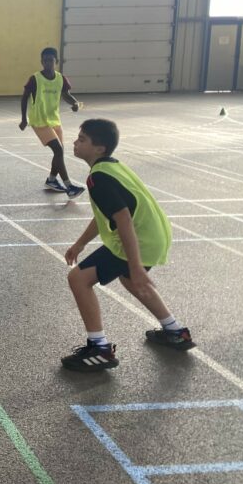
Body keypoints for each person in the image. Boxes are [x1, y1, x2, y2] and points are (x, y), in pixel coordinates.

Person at [61, 118, 195, 372]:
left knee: (78, 279)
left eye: (82, 140)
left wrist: (135, 265)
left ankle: (99, 349)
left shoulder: (98, 178)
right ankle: (175, 332)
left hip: (140, 239)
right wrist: (79, 244)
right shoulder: (111, 167)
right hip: (155, 234)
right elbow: (107, 213)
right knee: (130, 279)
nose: (75, 143)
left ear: (99, 148)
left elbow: (123, 220)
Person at [19, 47, 84, 198]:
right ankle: (69, 187)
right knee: (58, 150)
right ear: (41, 62)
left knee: (59, 151)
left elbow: (66, 94)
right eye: (45, 61)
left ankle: (52, 179)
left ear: (56, 61)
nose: (48, 63)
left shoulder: (61, 79)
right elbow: (24, 97)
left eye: (51, 60)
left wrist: (74, 103)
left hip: (54, 119)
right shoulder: (35, 79)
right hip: (39, 120)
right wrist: (23, 119)